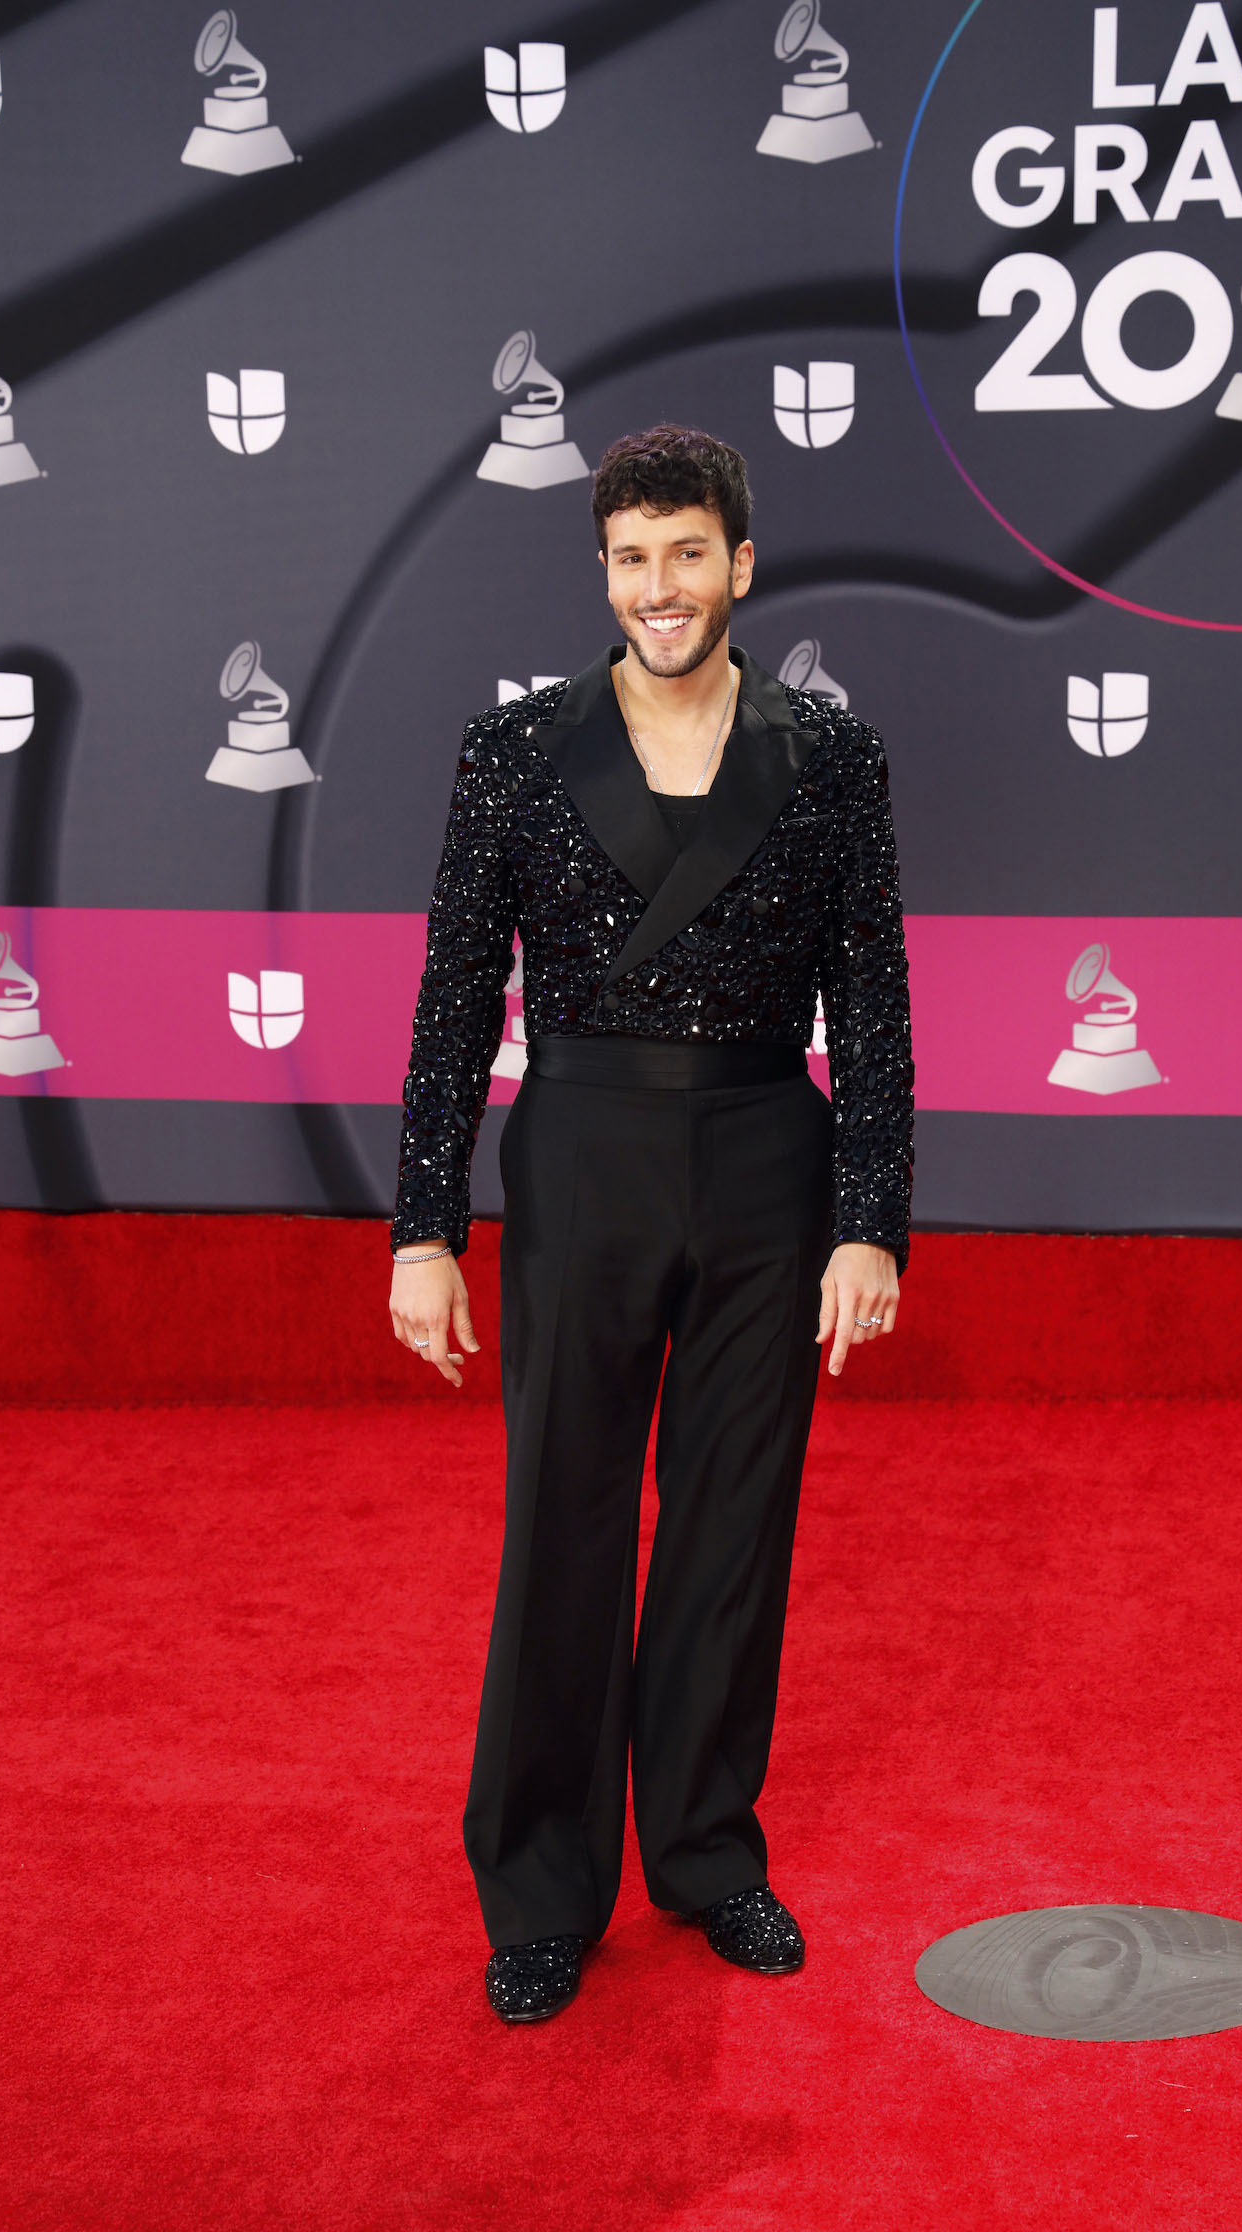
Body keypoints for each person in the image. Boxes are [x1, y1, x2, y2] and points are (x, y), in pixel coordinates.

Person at [388, 424, 913, 2024]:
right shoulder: (518, 753)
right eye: (631, 557)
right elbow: (457, 996)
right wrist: (424, 1225)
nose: (660, 586)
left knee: (729, 1528)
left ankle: (703, 1853)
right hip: (584, 1156)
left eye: (689, 552)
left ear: (741, 565)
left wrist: (871, 1218)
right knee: (565, 1522)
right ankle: (543, 1883)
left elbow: (874, 1010)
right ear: (602, 572)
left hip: (771, 1156)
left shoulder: (833, 759)